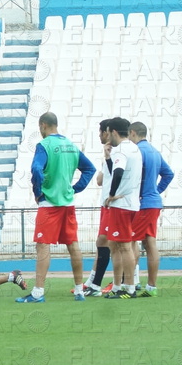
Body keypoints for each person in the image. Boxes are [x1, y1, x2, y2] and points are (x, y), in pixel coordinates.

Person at [17, 112, 96, 304]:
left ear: (43, 125)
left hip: (50, 203)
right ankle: (79, 290)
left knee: (43, 246)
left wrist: (38, 191)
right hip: (68, 203)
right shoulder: (70, 145)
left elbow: (36, 169)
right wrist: (75, 188)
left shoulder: (44, 145)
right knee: (73, 245)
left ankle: (38, 292)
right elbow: (90, 168)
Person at [129, 121, 173, 297]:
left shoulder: (137, 151)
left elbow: (133, 177)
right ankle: (151, 286)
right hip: (153, 202)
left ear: (132, 133)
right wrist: (156, 190)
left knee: (130, 241)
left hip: (143, 204)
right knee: (149, 242)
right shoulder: (154, 151)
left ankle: (131, 283)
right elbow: (168, 173)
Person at [102, 117, 143, 299]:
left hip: (121, 205)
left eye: (109, 132)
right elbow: (118, 170)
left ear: (115, 132)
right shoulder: (134, 148)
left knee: (124, 246)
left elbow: (117, 173)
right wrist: (108, 158)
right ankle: (118, 286)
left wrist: (111, 195)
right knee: (116, 245)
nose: (108, 135)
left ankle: (129, 287)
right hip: (132, 203)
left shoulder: (121, 149)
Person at [82, 119, 115, 296]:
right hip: (107, 204)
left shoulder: (117, 153)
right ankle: (93, 282)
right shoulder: (109, 154)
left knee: (112, 243)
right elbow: (100, 180)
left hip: (114, 204)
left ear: (108, 132)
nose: (100, 135)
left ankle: (120, 282)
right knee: (105, 243)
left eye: (101, 131)